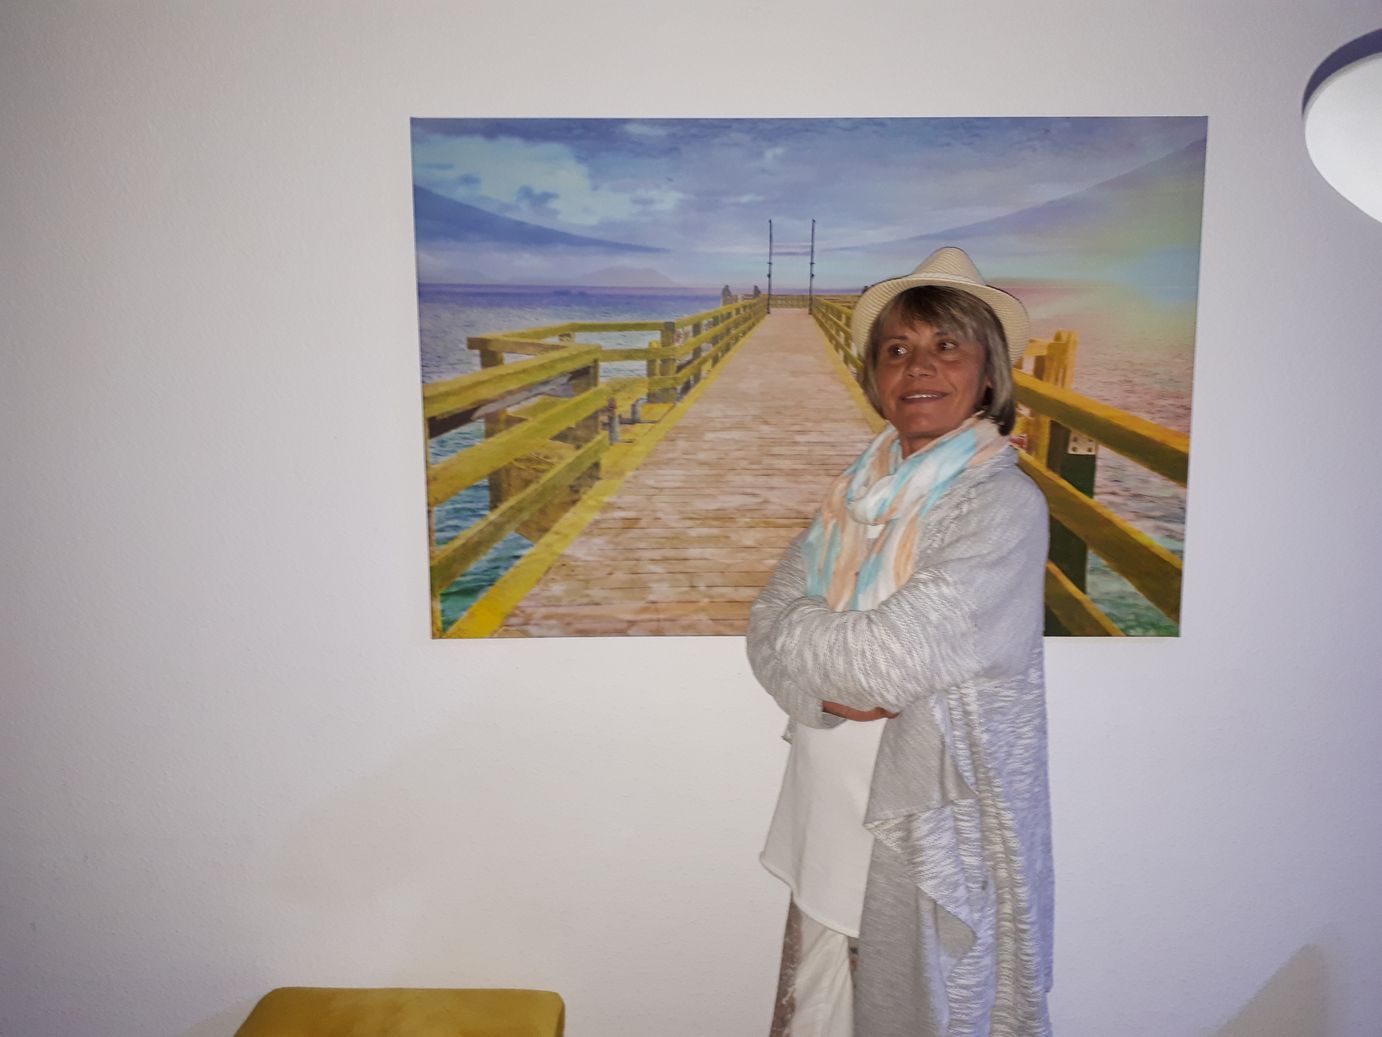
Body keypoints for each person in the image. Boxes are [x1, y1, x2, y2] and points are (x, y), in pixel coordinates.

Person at [748, 247, 1053, 1037]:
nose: (918, 366)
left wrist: (807, 648)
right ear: (875, 376)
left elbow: (882, 662)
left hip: (923, 833)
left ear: (989, 373)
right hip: (828, 819)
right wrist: (824, 682)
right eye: (897, 348)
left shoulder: (1000, 505)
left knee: (918, 1014)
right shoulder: (855, 493)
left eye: (947, 345)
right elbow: (762, 630)